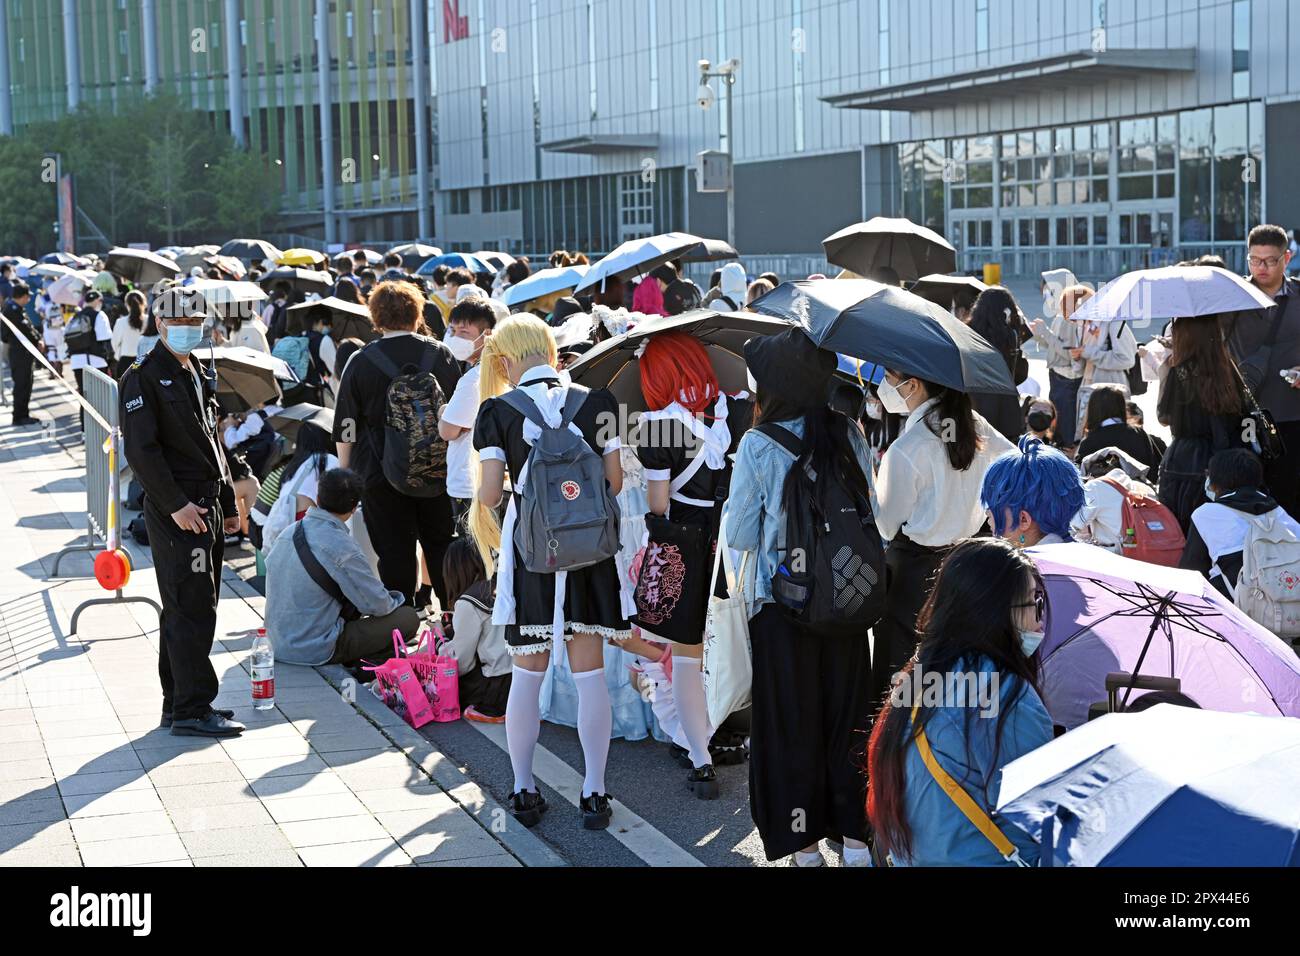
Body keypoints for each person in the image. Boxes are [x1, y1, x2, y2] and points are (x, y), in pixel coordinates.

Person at [718, 328, 875, 865]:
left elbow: (738, 537)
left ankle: (803, 851)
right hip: (848, 605)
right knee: (849, 724)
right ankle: (856, 842)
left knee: (790, 730)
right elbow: (868, 510)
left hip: (782, 608)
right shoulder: (849, 432)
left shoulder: (759, 444)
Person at [468, 314, 626, 830]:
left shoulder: (497, 410)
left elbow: (491, 494)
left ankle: (523, 788)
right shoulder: (598, 399)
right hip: (590, 554)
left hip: (534, 555)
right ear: (550, 351)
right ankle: (596, 792)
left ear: (508, 359)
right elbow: (615, 482)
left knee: (526, 678)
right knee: (591, 677)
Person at [866, 538, 1053, 866]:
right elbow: (1037, 821)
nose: (1041, 621)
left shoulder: (919, 675)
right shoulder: (1008, 700)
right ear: (993, 613)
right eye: (1034, 604)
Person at [120, 287, 245, 738]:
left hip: (206, 500)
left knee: (192, 605)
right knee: (189, 606)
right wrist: (175, 505)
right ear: (159, 324)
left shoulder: (195, 369)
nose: (189, 331)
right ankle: (193, 707)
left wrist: (229, 502)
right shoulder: (143, 375)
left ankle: (178, 701)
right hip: (180, 506)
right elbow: (142, 450)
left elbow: (211, 441)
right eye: (180, 323)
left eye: (195, 324)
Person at [633, 331, 753, 799]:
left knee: (685, 653)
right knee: (729, 641)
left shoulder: (657, 426)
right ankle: (729, 728)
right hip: (732, 543)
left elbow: (658, 504)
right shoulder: (737, 409)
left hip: (683, 543)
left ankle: (700, 757)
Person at [333, 281, 462, 608]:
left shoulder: (361, 361)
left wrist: (347, 472)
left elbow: (346, 426)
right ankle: (452, 621)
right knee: (441, 545)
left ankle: (403, 625)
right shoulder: (442, 355)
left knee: (393, 552)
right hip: (438, 471)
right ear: (417, 314)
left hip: (379, 472)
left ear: (375, 317)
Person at [264, 468, 421, 668]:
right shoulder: (342, 546)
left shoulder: (289, 532)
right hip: (315, 648)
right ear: (354, 508)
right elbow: (377, 605)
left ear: (318, 498)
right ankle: (369, 664)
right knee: (407, 618)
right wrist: (395, 600)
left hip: (275, 643)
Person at [1222, 224, 1300, 518]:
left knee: (1288, 496)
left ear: (1287, 258)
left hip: (1291, 415)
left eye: (1270, 260)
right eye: (1255, 260)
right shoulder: (1232, 299)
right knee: (1245, 497)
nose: (1261, 267)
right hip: (1244, 415)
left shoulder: (1298, 297)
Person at [1156, 314, 1248, 531]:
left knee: (1183, 531)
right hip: (1226, 460)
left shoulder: (1179, 371)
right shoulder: (1228, 368)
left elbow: (1163, 418)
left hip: (1184, 460)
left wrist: (1165, 371)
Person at [1181, 448, 1300, 600]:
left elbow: (1191, 570)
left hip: (1237, 606)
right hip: (1288, 602)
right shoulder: (1276, 509)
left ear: (1216, 483)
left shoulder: (1206, 514)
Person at [437, 298, 497, 529]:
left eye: (464, 331)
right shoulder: (492, 369)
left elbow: (448, 430)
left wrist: (443, 410)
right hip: (485, 481)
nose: (455, 338)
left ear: (487, 334)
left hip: (468, 483)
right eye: (452, 330)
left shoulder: (474, 378)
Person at [439, 538, 512, 722]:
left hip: (495, 689)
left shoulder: (468, 602)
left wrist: (440, 640)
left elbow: (462, 664)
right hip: (524, 677)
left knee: (441, 680)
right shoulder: (504, 586)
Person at [981, 437, 1087, 548]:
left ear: (1023, 519)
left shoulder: (1027, 564)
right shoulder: (1087, 555)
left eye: (992, 506)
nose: (987, 513)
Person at [1029, 279, 1090, 449]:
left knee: (1065, 425)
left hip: (1067, 378)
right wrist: (1038, 335)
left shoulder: (1071, 319)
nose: (1046, 298)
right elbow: (1054, 347)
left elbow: (1068, 353)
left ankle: (1067, 452)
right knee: (1059, 421)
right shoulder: (1060, 317)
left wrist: (1045, 334)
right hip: (1059, 376)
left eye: (1050, 292)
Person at [968, 287, 1030, 442]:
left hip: (975, 402)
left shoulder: (967, 331)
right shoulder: (1011, 335)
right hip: (1006, 406)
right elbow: (1019, 375)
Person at [1074, 383, 1164, 478]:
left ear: (1093, 410)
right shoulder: (1139, 434)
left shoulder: (1090, 441)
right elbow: (1152, 469)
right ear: (1122, 406)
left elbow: (1079, 476)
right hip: (1141, 490)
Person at [68, 290, 114, 430]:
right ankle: (100, 431)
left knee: (84, 396)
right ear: (97, 301)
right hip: (95, 361)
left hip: (76, 361)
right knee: (100, 397)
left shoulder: (75, 316)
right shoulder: (99, 315)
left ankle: (84, 431)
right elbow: (104, 338)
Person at [2, 281, 41, 426]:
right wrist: (37, 339)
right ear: (22, 296)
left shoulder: (16, 308)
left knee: (26, 383)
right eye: (27, 296)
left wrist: (37, 338)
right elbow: (23, 330)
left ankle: (24, 413)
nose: (28, 299)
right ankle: (19, 416)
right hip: (19, 352)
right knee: (21, 384)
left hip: (23, 352)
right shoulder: (11, 310)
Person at [110, 290, 147, 379]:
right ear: (144, 303)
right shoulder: (150, 321)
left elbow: (114, 343)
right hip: (146, 361)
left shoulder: (121, 322)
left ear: (127, 305)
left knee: (126, 390)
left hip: (125, 362)